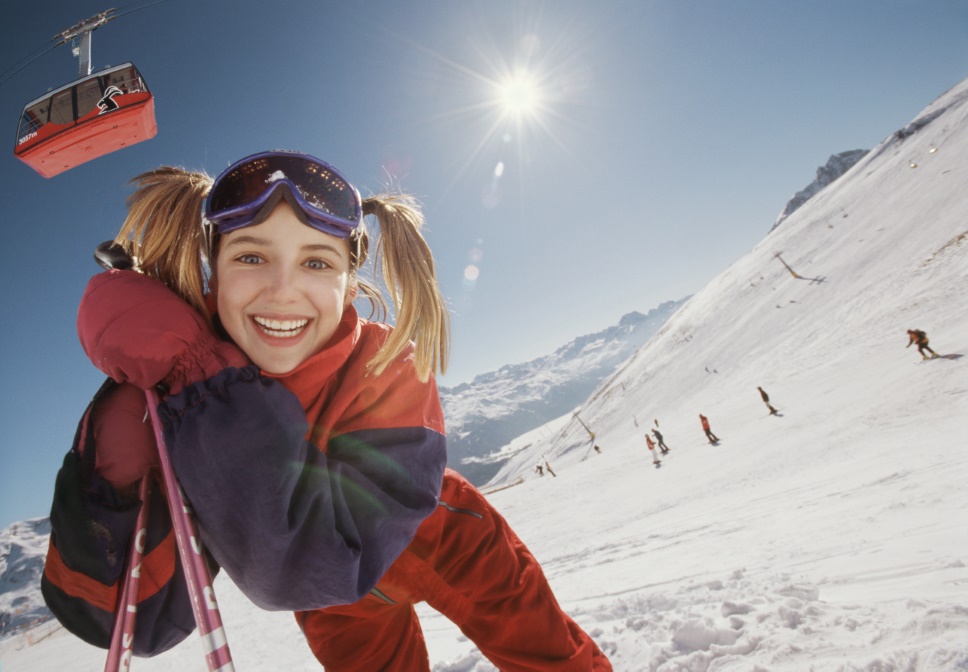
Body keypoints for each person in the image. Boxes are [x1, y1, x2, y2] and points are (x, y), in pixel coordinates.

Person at [41, 151, 611, 671]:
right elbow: (132, 619)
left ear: (349, 283)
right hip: (337, 607)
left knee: (551, 660)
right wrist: (129, 434)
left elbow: (315, 558)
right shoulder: (185, 393)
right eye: (251, 256)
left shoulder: (386, 367)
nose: (283, 289)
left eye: (316, 263)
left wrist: (196, 372)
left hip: (449, 541)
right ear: (213, 272)